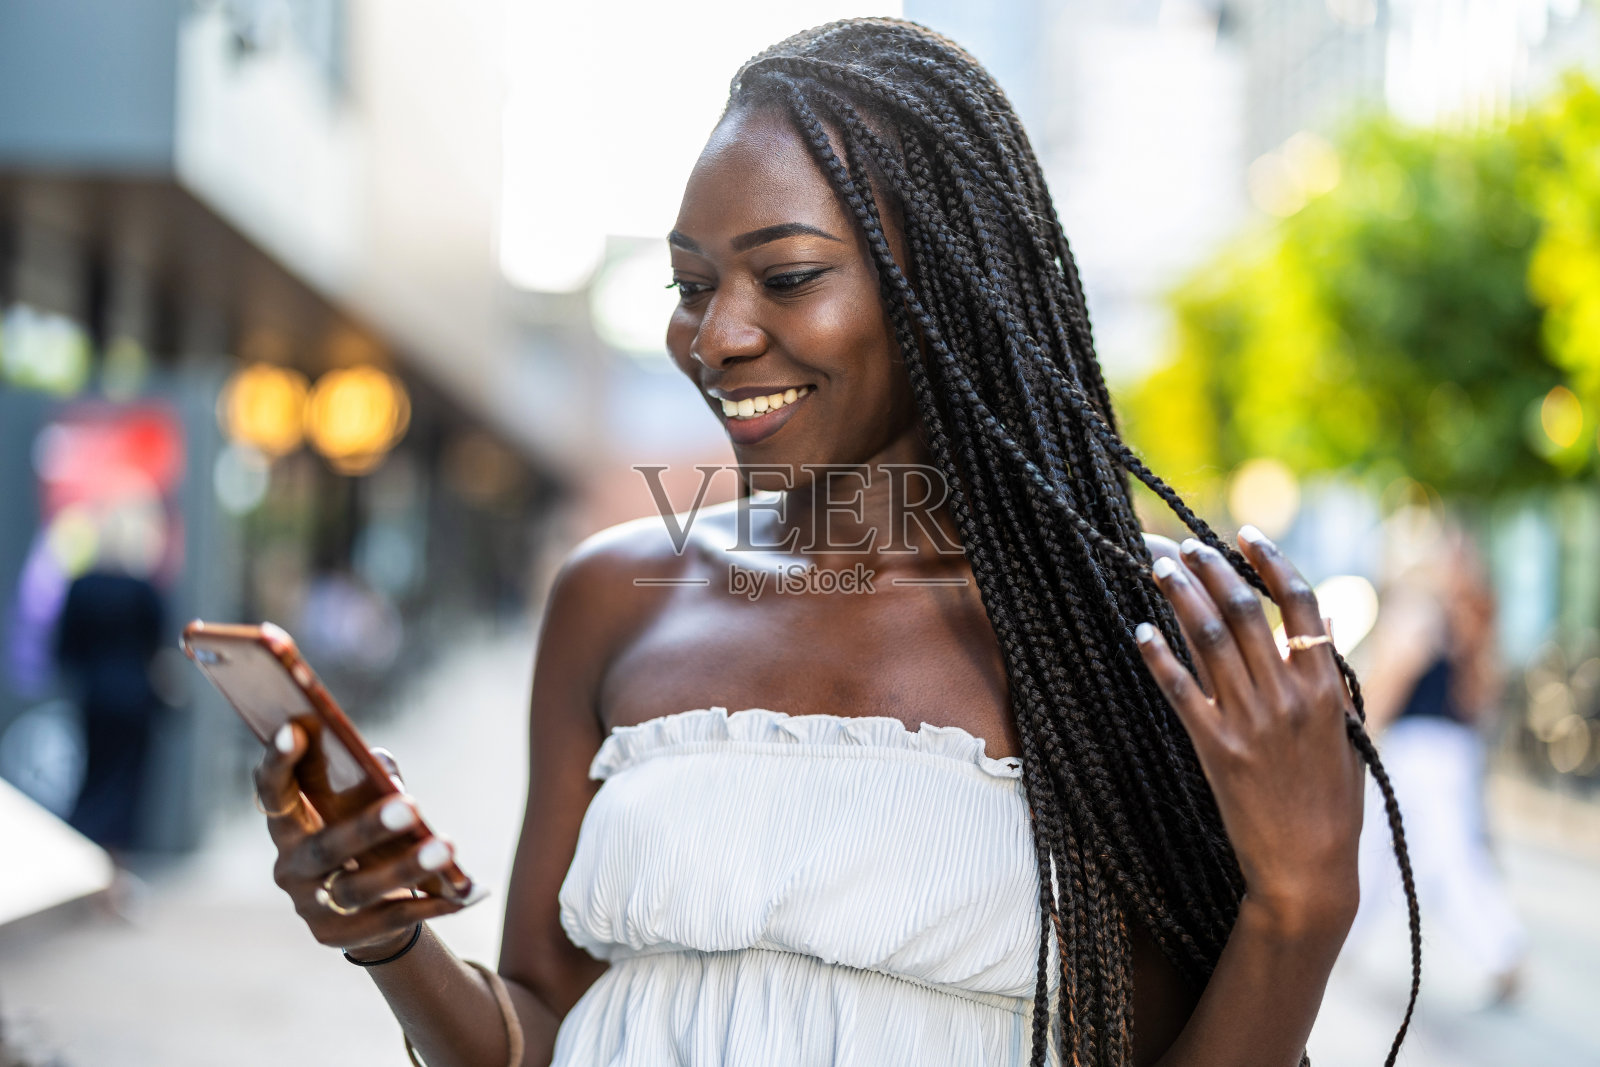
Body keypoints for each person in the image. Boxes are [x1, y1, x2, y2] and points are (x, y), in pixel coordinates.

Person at [250, 19, 1420, 1067]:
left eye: (788, 275)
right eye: (690, 283)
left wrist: (1300, 905)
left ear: (954, 287)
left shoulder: (1133, 649)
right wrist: (393, 935)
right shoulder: (617, 596)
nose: (716, 335)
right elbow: (535, 1029)